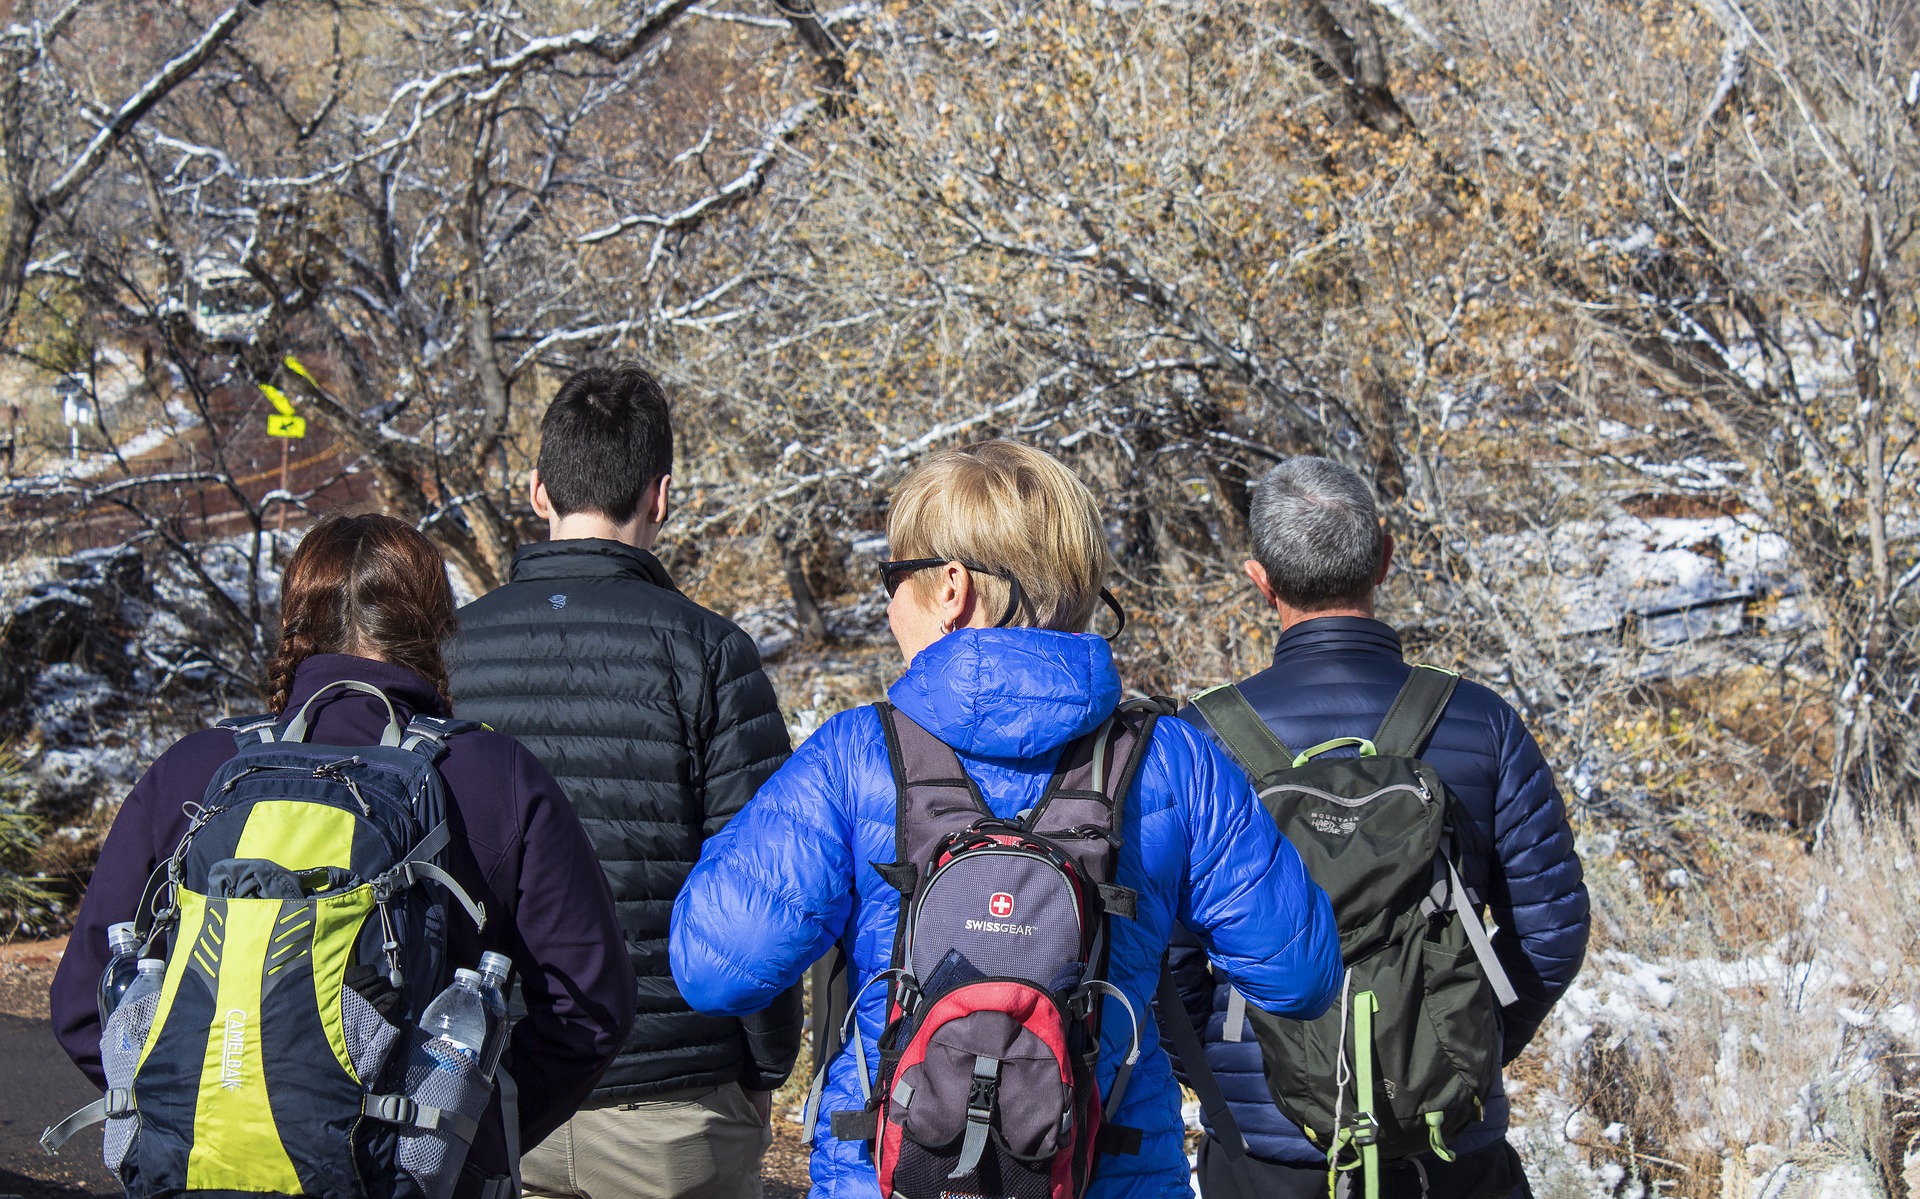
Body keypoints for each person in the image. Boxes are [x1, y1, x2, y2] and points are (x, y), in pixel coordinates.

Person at [668, 439, 1345, 1199]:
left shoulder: (857, 757)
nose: (888, 602)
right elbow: (1302, 975)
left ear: (951, 588)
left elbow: (711, 965)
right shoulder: (1171, 759)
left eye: (895, 576)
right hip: (1108, 1174)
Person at [51, 513, 636, 1190]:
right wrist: (448, 1132)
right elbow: (590, 1007)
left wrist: (194, 1115)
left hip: (200, 1174)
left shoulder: (196, 771)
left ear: (295, 623)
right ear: (433, 625)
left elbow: (82, 1003)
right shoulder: (494, 773)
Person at [1171, 456, 1590, 1199]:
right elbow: (1550, 932)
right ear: (1385, 555)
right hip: (1451, 1141)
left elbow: (1166, 960)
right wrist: (1468, 1044)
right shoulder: (1482, 722)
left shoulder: (1200, 739)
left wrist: (1221, 1069)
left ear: (1259, 578)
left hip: (1267, 1150)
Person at [448, 363, 800, 1199]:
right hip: (674, 1103)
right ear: (662, 494)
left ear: (538, 491)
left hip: (491, 1090)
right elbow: (759, 889)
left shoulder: (450, 650)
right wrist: (766, 1064)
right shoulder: (711, 654)